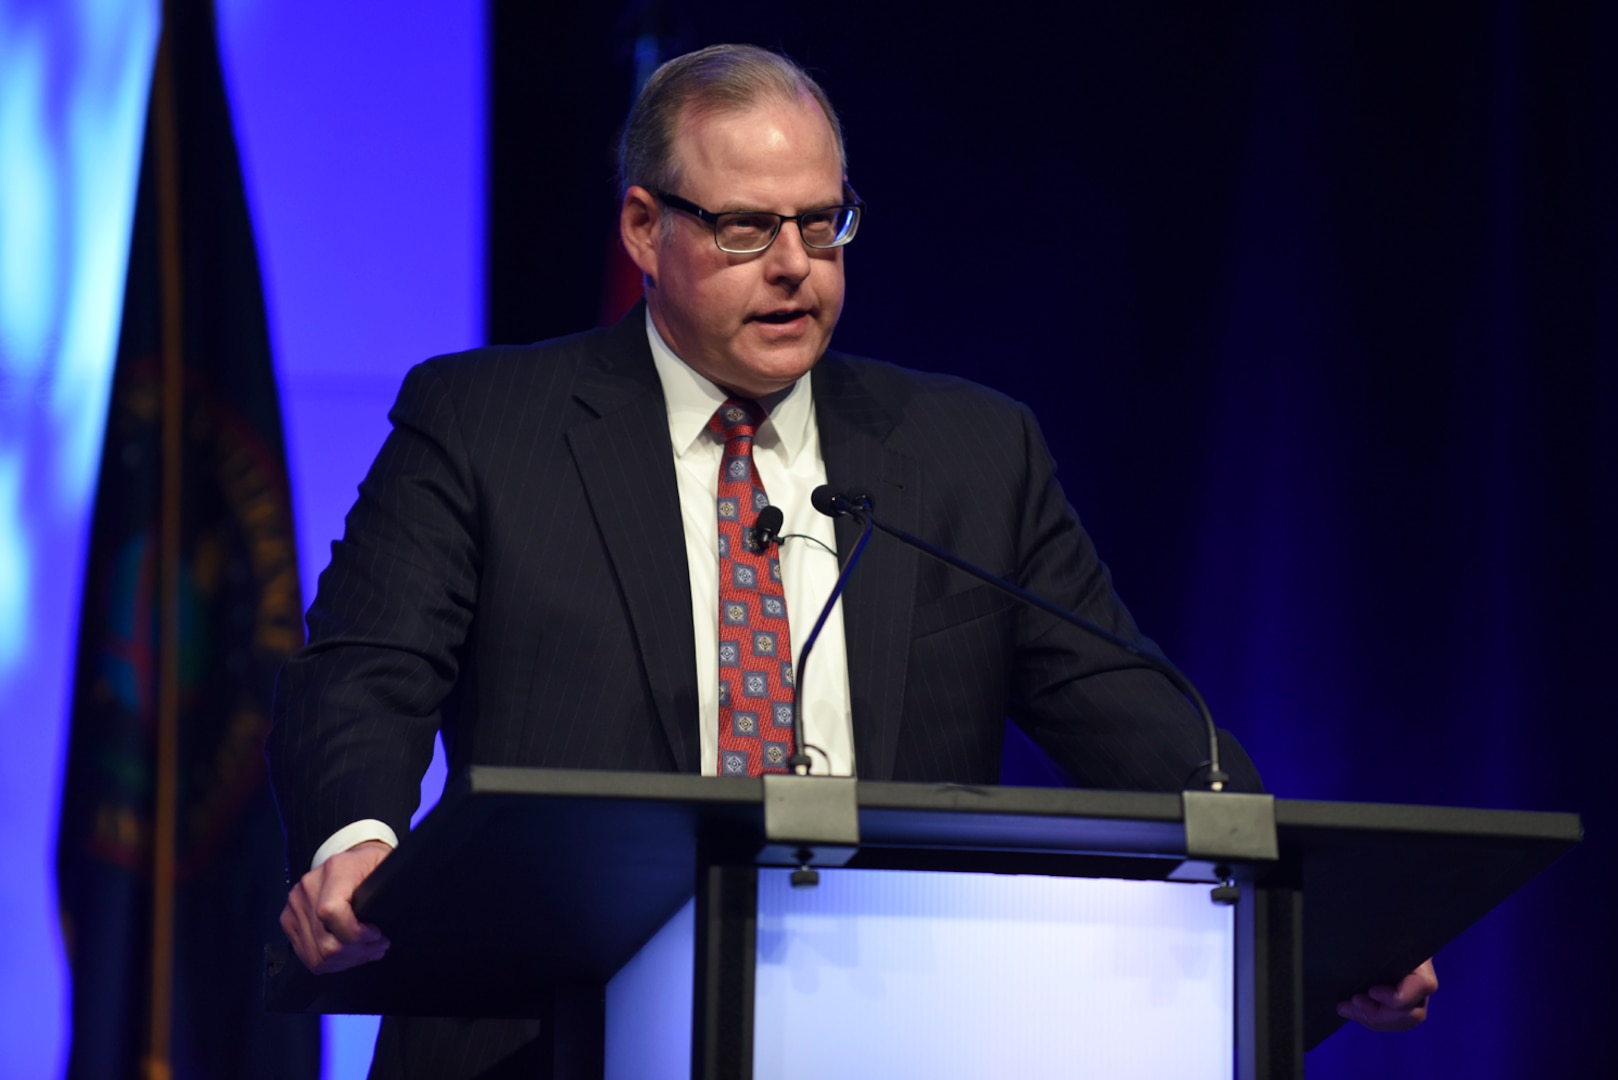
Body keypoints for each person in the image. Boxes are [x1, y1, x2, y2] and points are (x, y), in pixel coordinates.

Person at [268, 43, 1436, 1074]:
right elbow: (365, 670)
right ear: (643, 229)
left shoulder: (968, 452)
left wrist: (1317, 908)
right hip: (542, 1032)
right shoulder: (484, 422)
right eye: (746, 228)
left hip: (879, 1027)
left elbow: (1126, 710)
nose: (794, 265)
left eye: (820, 224)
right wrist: (357, 839)